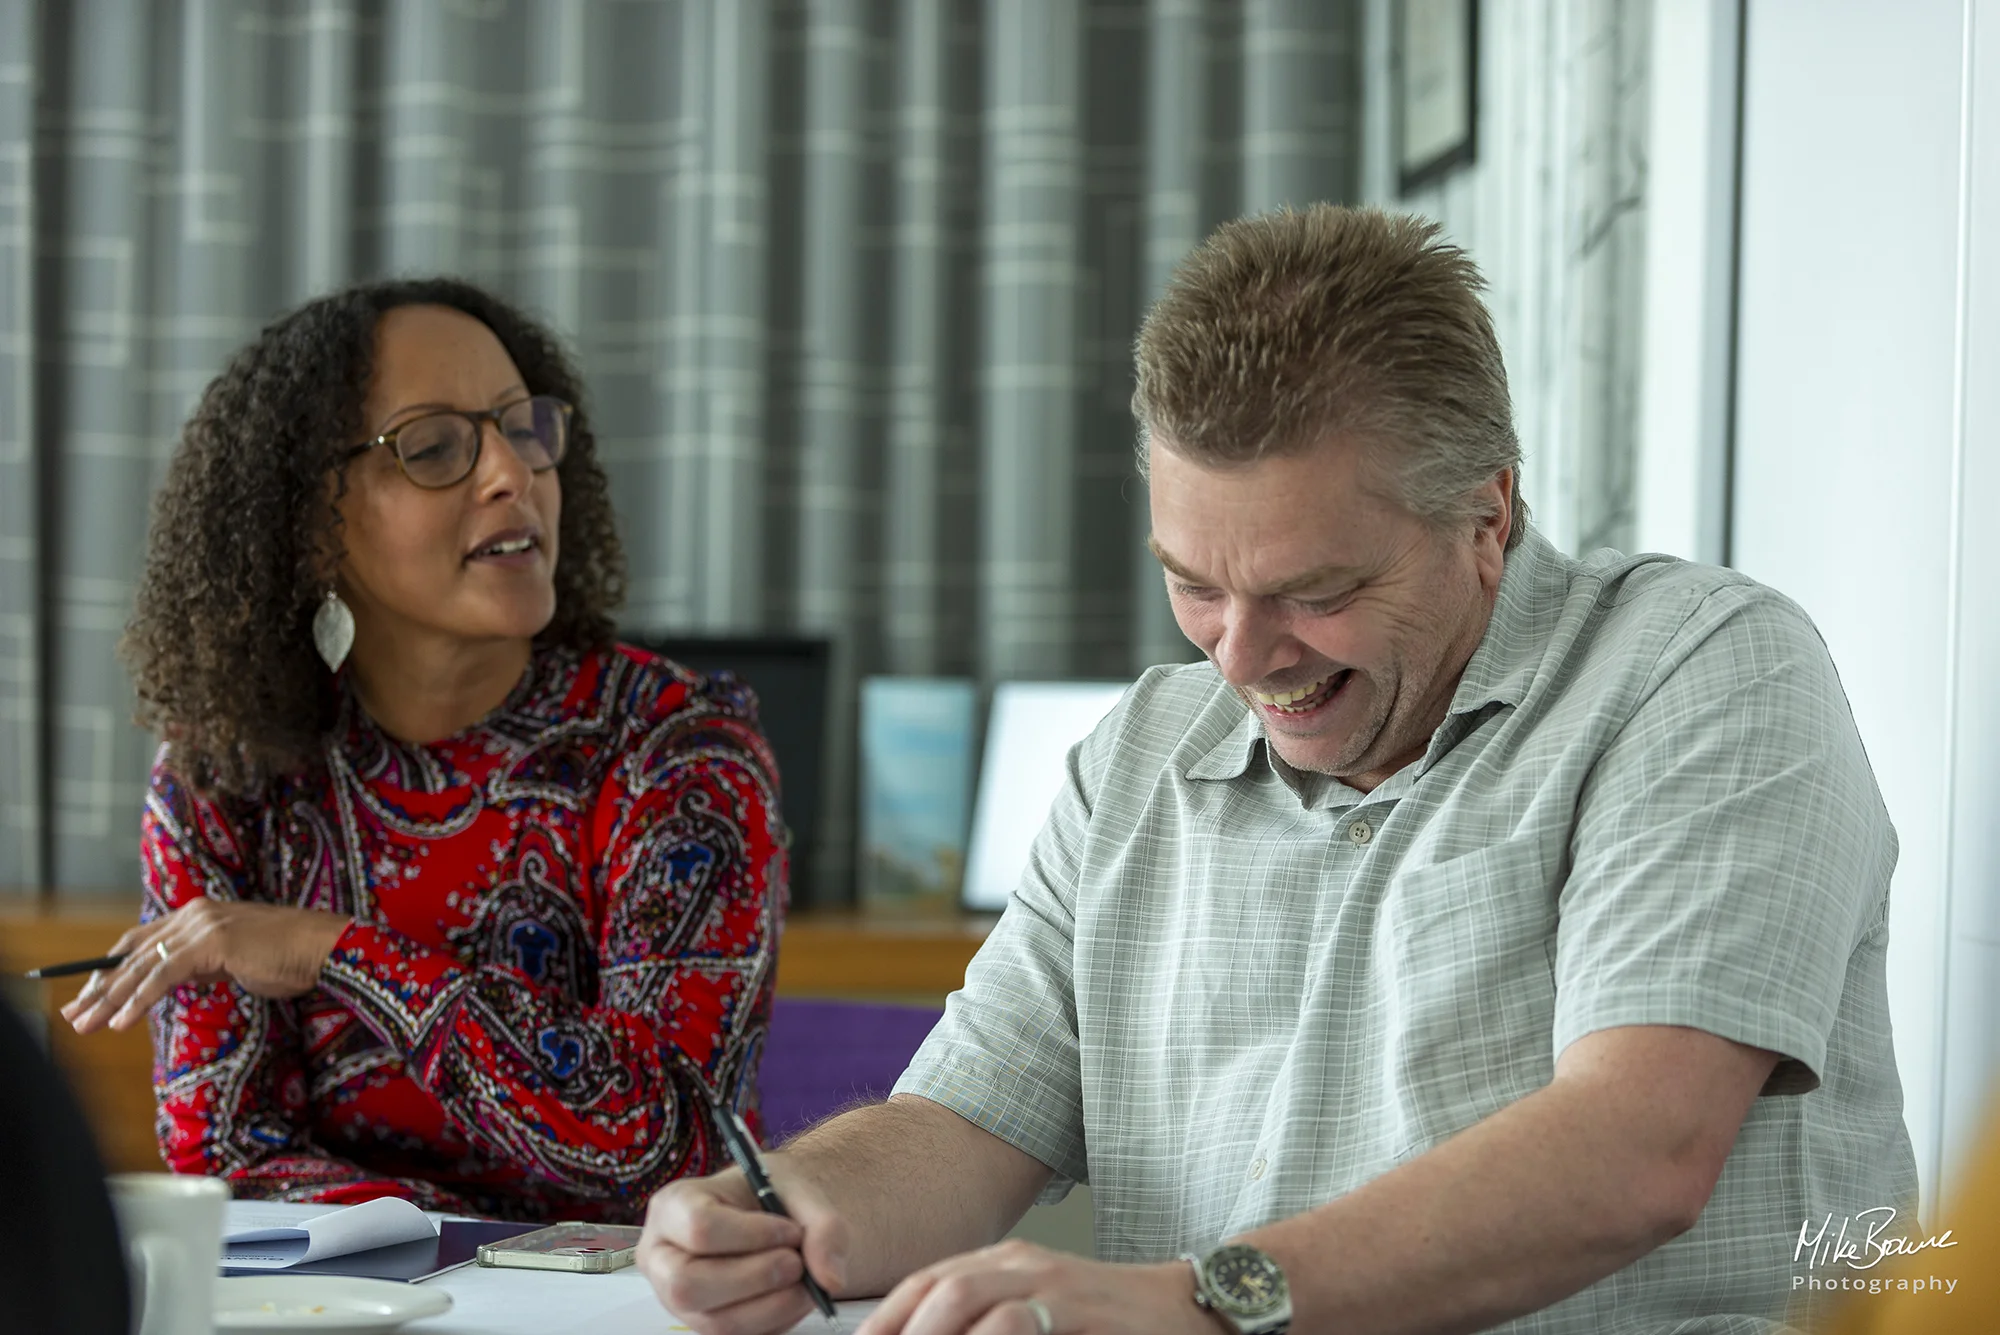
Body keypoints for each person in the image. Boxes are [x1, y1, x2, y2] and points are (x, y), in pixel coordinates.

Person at [636, 206, 1916, 1334]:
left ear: (1488, 516)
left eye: (1316, 592)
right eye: (1192, 584)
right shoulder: (1140, 751)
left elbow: (1636, 1151)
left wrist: (1202, 1302)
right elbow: (965, 1123)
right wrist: (784, 1210)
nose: (1242, 658)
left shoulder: (1704, 672)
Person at [62, 278, 785, 1224]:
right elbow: (228, 1154)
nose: (510, 474)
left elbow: (664, 1139)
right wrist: (451, 1248)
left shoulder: (680, 747)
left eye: (523, 428)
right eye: (436, 446)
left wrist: (334, 951)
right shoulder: (227, 772)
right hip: (353, 1306)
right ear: (312, 524)